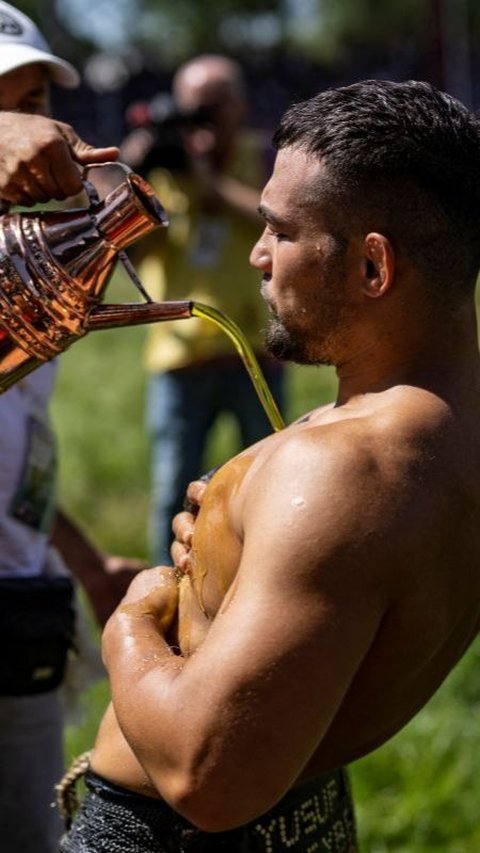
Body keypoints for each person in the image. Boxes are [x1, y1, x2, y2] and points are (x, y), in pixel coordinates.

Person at [19, 78, 480, 851]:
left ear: (374, 268)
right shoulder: (446, 429)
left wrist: (136, 612)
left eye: (280, 231)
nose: (258, 255)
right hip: (310, 818)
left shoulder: (345, 469)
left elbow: (208, 777)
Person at [0, 4, 146, 852]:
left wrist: (88, 567)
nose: (29, 128)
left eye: (33, 100)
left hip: (23, 617)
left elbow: (18, 461)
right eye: (6, 103)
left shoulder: (26, 269)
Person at [123, 54, 285, 564]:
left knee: (267, 486)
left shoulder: (267, 159)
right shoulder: (162, 172)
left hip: (254, 351)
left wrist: (209, 185)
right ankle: (166, 596)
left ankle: (263, 582)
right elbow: (125, 255)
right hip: (179, 357)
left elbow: (277, 221)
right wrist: (131, 173)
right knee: (173, 489)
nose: (202, 121)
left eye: (212, 107)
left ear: (240, 105)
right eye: (191, 109)